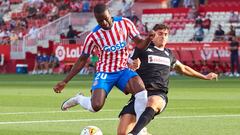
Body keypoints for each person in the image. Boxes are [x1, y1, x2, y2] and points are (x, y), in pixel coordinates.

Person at [53, 3, 155, 126]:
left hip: (123, 69)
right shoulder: (93, 36)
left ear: (110, 14)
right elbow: (82, 59)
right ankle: (79, 98)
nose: (104, 23)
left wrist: (148, 39)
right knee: (95, 106)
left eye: (106, 19)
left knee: (141, 93)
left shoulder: (125, 23)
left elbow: (139, 44)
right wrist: (65, 81)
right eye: (100, 21)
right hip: (105, 72)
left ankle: (139, 129)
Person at [117, 24, 218, 135]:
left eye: (166, 34)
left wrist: (204, 77)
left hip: (158, 94)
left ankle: (135, 133)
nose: (163, 37)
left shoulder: (169, 54)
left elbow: (183, 69)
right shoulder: (143, 49)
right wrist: (132, 65)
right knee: (122, 133)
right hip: (139, 95)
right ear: (153, 35)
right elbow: (126, 64)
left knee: (153, 101)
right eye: (160, 34)